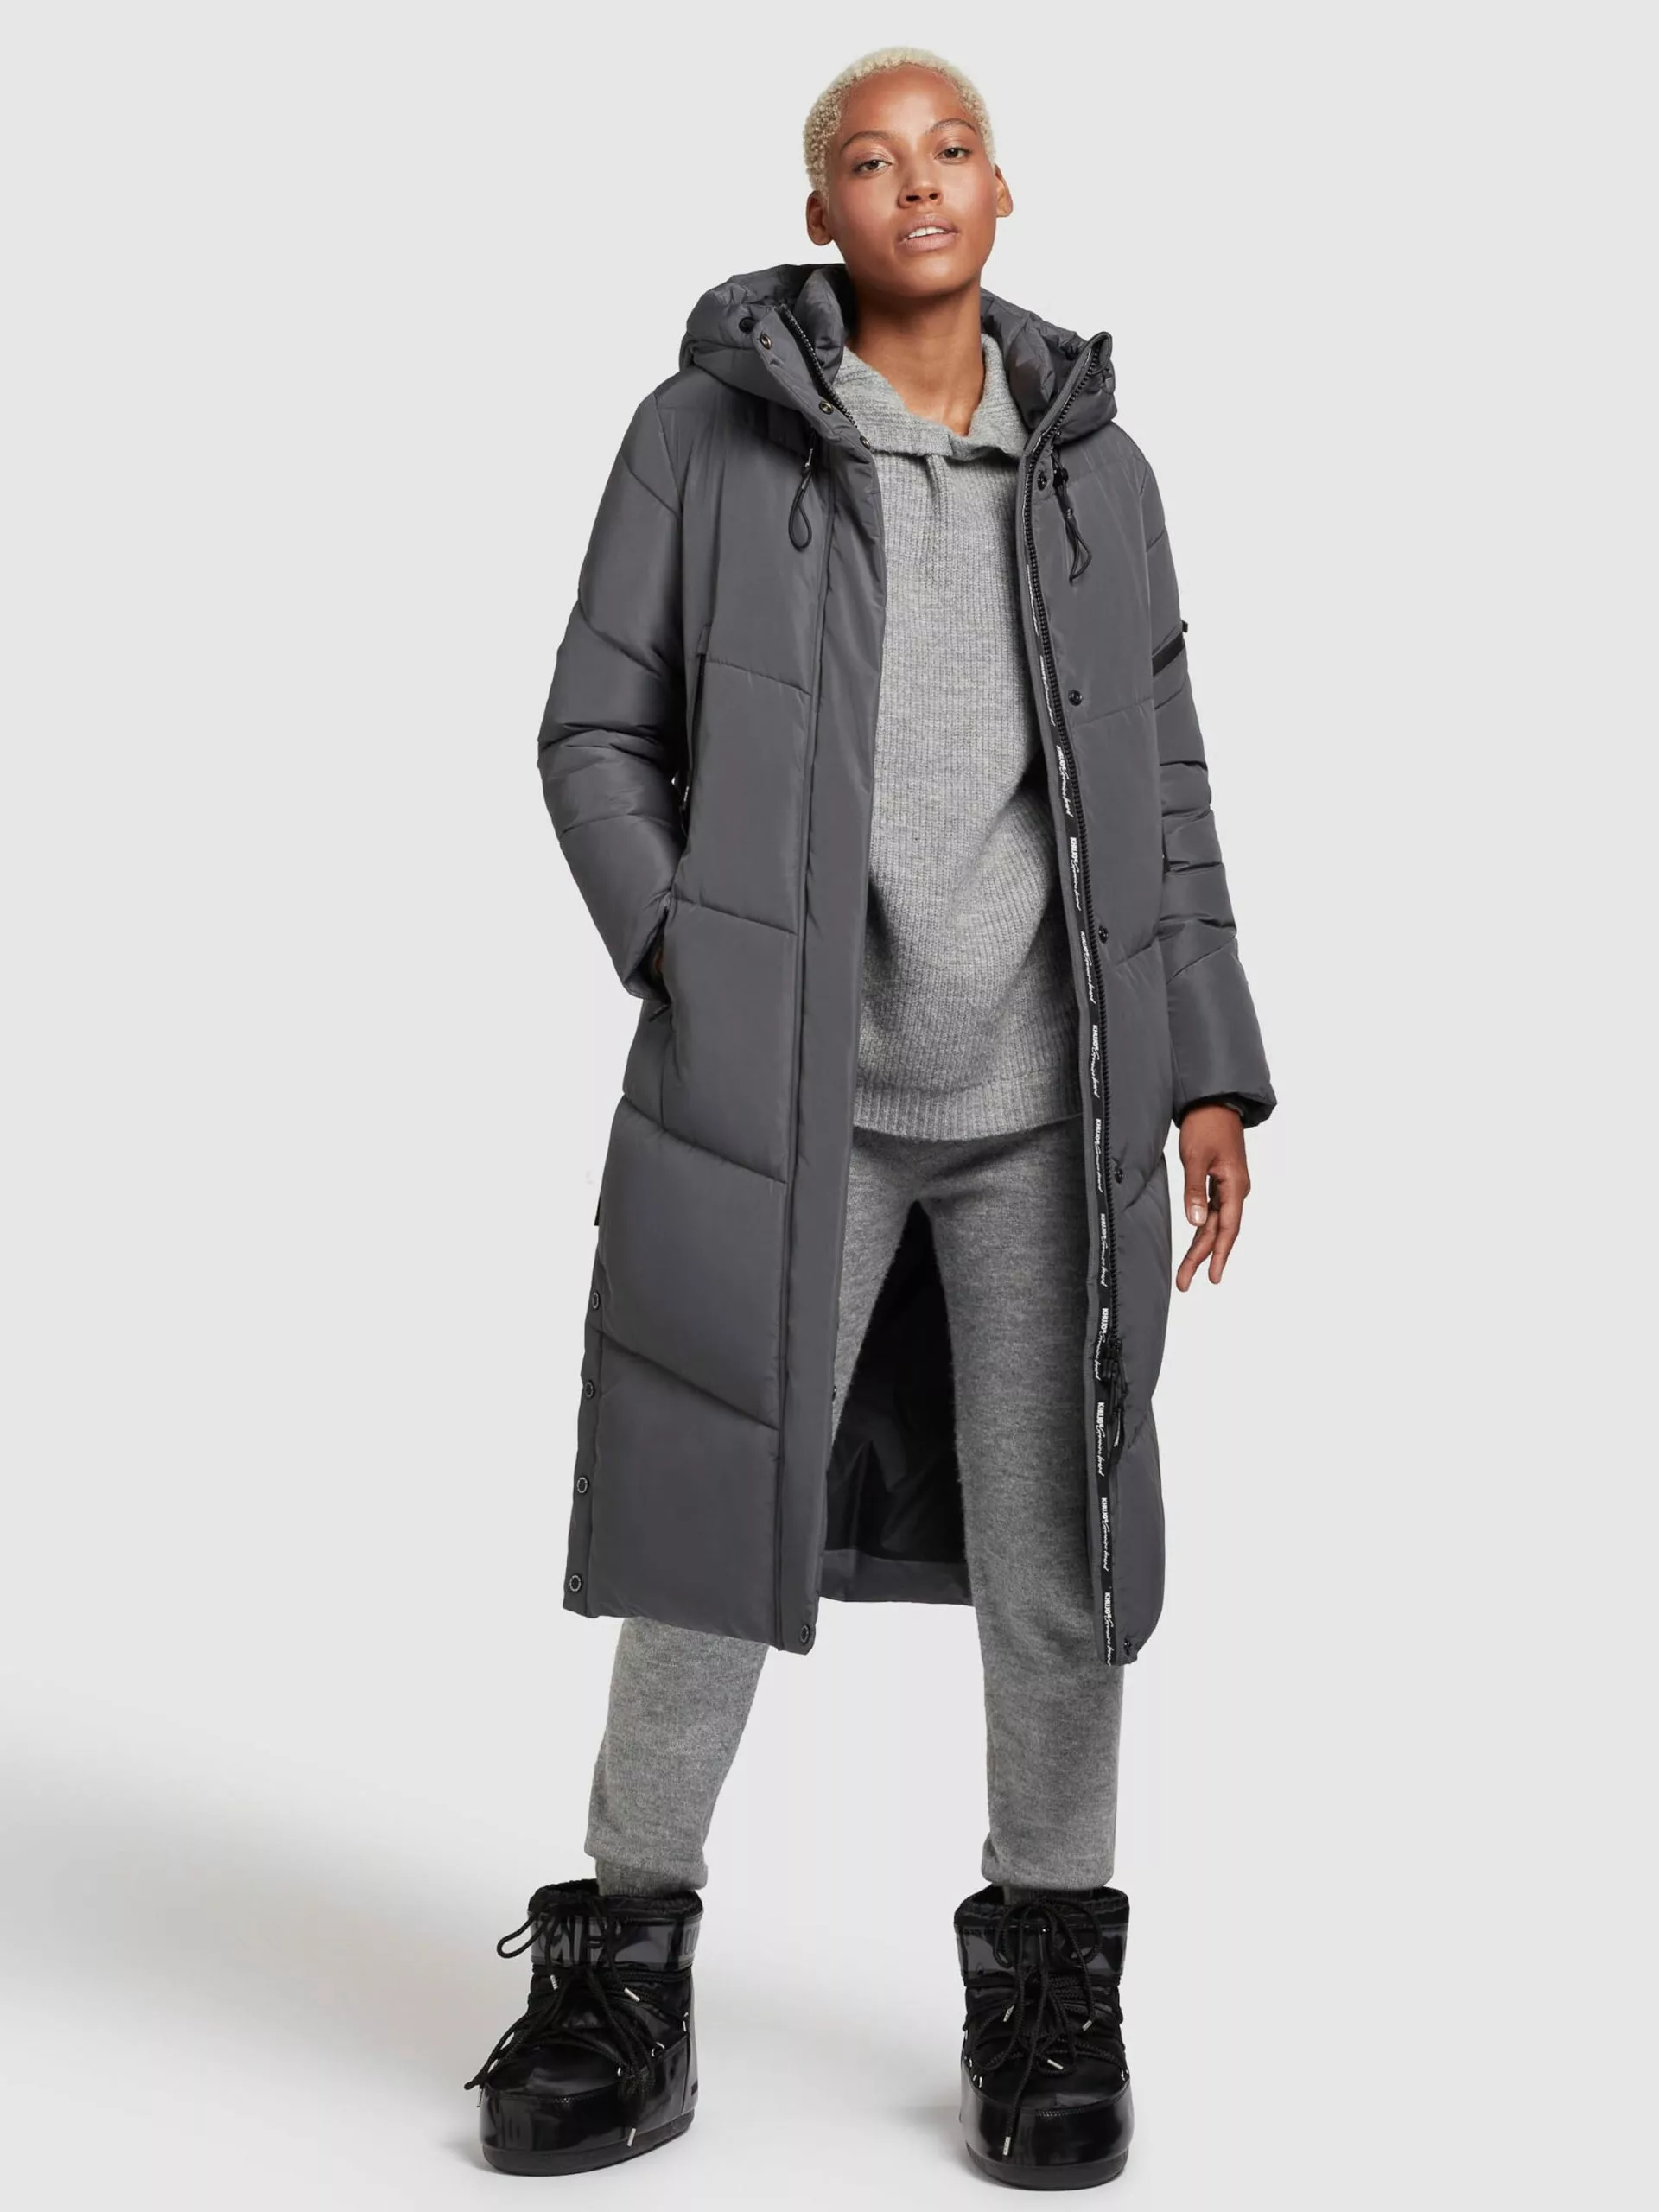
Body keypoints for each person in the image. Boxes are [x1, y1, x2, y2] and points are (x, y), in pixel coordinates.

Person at [464, 44, 1275, 2189]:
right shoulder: (704, 441)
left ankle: (1052, 1980)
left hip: (1048, 1106)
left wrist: (1207, 1057)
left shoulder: (1100, 479)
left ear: (1003, 194)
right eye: (868, 158)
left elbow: (1170, 787)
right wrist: (695, 952)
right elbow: (590, 733)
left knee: (1063, 1550)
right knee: (706, 1539)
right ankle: (621, 1965)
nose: (916, 183)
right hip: (791, 1103)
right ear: (820, 212)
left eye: (952, 150)